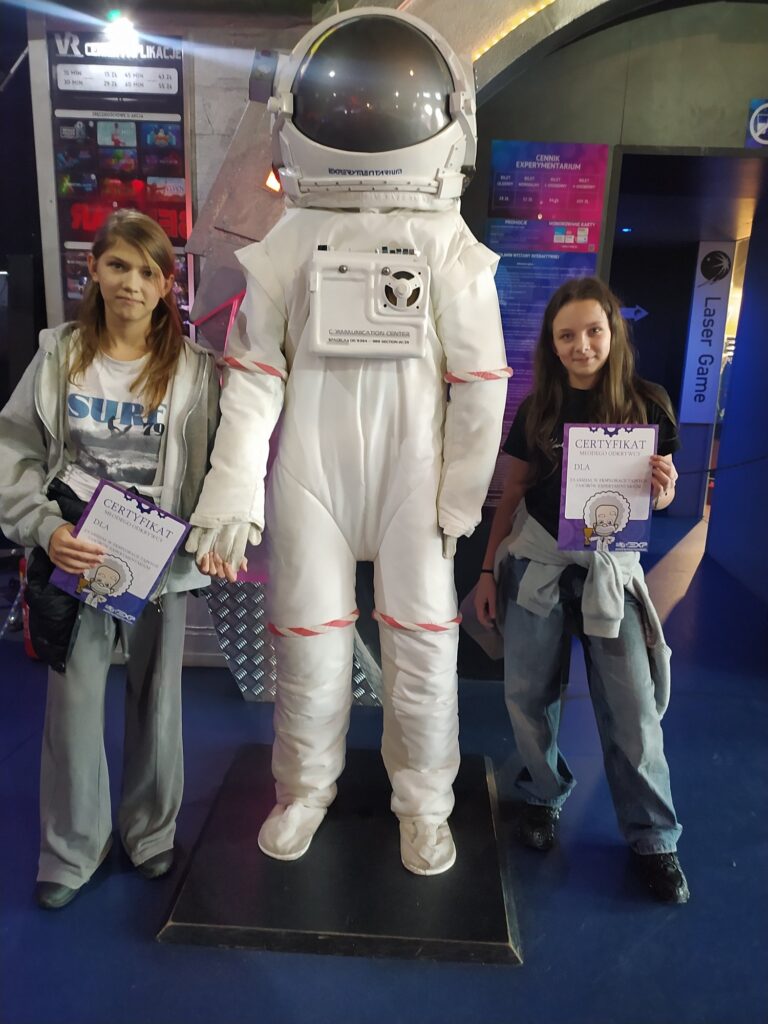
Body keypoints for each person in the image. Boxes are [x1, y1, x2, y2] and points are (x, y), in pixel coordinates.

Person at [186, 7, 509, 876]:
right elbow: (255, 373)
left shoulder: (446, 244)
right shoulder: (290, 239)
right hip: (314, 476)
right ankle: (304, 788)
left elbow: (481, 382)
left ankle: (424, 803)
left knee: (424, 646)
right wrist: (232, 489)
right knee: (308, 641)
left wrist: (457, 500)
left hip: (414, 477)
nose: (368, 114)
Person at [0, 210, 219, 909]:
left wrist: (217, 536)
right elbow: (15, 452)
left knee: (157, 700)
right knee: (72, 704)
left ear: (166, 285)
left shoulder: (194, 369)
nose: (132, 282)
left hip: (158, 554)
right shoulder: (58, 357)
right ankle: (72, 848)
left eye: (148, 271)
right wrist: (43, 528)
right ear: (92, 268)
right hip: (77, 549)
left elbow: (221, 467)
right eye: (118, 265)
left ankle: (150, 834)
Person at [474, 276, 690, 904]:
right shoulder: (537, 408)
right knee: (527, 694)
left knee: (633, 708)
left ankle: (654, 837)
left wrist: (665, 489)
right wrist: (486, 572)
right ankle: (543, 794)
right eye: (566, 335)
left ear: (613, 331)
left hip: (608, 568)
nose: (581, 345)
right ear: (552, 343)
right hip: (538, 562)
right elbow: (513, 494)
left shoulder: (648, 404)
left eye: (593, 331)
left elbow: (661, 495)